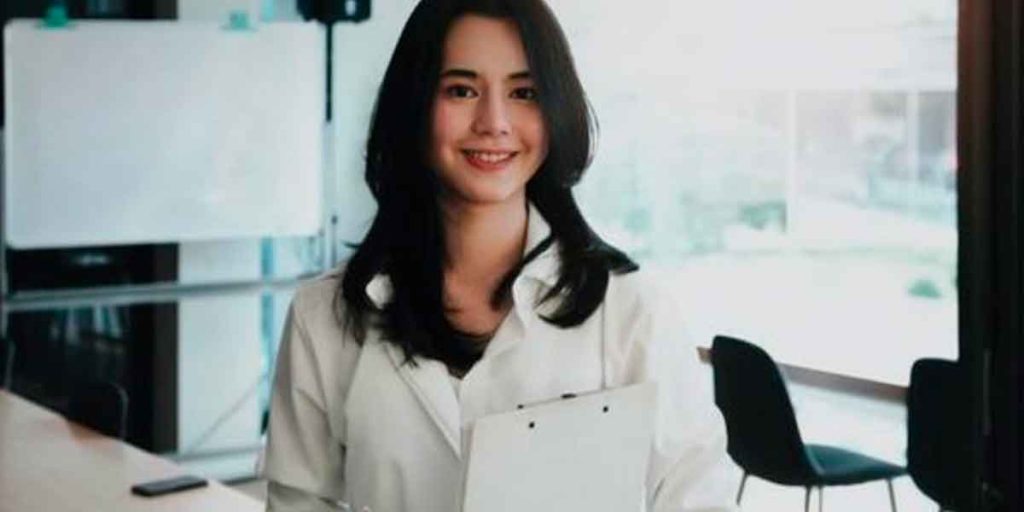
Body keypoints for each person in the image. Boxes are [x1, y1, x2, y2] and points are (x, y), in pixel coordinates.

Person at [263, 0, 737, 510]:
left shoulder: (631, 312)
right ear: (414, 105)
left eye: (524, 93)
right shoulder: (324, 316)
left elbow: (698, 500)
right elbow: (299, 505)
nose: (494, 122)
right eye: (461, 90)